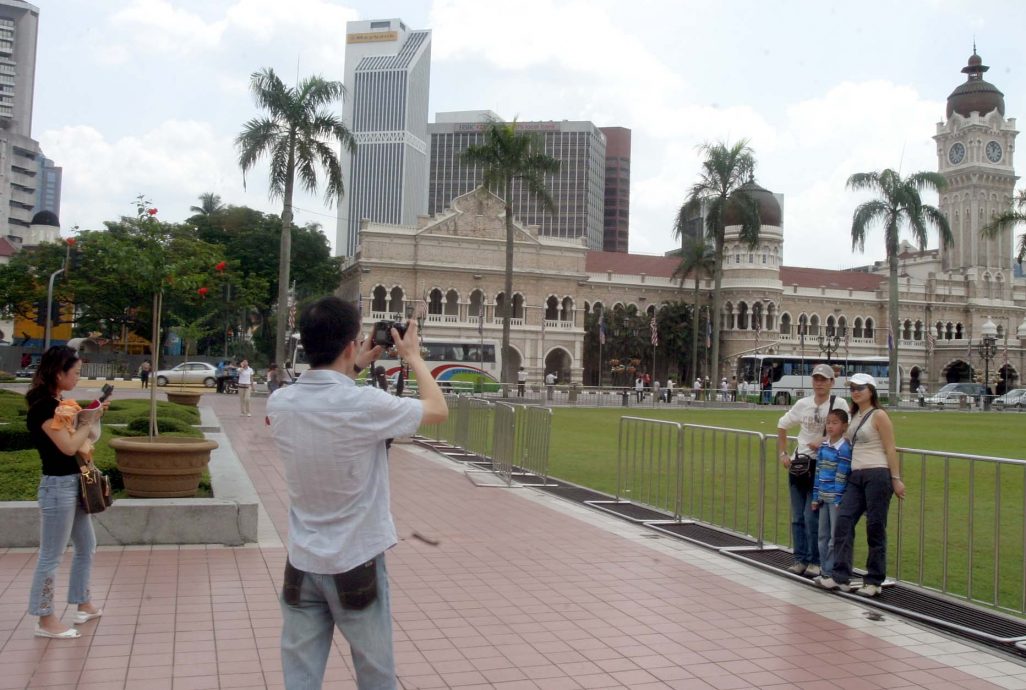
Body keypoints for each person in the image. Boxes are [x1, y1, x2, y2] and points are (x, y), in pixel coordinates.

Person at [267, 296, 446, 689]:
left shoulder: (280, 403)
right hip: (356, 561)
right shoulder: (365, 404)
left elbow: (323, 395)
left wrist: (356, 362)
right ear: (350, 344)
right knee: (375, 672)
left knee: (300, 675)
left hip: (302, 560)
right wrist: (412, 356)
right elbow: (437, 408)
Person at [25, 345, 104, 639]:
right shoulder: (44, 407)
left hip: (74, 483)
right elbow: (69, 446)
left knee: (87, 546)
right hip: (57, 488)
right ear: (59, 373)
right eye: (75, 373)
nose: (78, 378)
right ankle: (45, 619)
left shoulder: (58, 403)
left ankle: (83, 602)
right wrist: (89, 421)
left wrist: (85, 416)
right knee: (51, 556)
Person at [818, 373, 905, 597]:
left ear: (872, 390)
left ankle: (874, 580)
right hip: (855, 475)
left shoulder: (879, 415)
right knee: (844, 521)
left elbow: (890, 448)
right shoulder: (855, 415)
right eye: (853, 388)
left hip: (877, 473)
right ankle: (841, 576)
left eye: (861, 387)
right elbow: (841, 438)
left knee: (875, 527)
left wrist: (896, 479)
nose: (856, 391)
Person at [776, 363, 848, 577]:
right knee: (798, 516)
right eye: (816, 379)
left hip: (823, 465)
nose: (819, 383)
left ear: (832, 382)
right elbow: (782, 424)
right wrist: (783, 453)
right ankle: (800, 558)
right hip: (800, 464)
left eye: (824, 380)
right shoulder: (803, 404)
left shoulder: (838, 403)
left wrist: (824, 439)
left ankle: (816, 560)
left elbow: (846, 430)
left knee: (812, 515)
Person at [810, 409, 852, 585]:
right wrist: (815, 496)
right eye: (828, 422)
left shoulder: (844, 449)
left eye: (835, 423)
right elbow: (819, 472)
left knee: (834, 538)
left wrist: (837, 498)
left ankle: (831, 572)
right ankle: (824, 570)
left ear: (844, 426)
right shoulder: (824, 447)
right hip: (822, 497)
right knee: (823, 536)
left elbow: (842, 475)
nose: (830, 426)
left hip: (835, 500)